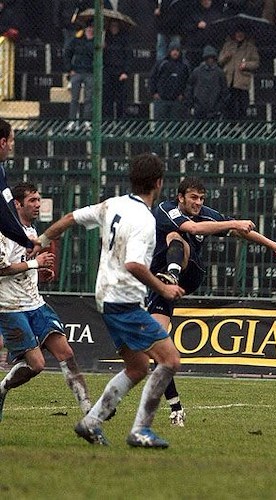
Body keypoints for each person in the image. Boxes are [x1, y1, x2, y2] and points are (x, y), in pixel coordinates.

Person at [35, 153, 186, 447]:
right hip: (125, 302)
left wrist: (40, 240)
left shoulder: (112, 204)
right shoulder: (145, 219)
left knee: (138, 367)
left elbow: (69, 219)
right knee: (170, 360)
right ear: (158, 183)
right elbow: (134, 265)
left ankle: (91, 422)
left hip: (105, 298)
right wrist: (163, 288)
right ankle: (141, 429)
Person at [147, 177, 276, 426]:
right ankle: (176, 409)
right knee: (156, 344)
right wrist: (234, 222)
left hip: (187, 274)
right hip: (161, 286)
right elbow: (197, 228)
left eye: (202, 199)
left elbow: (238, 231)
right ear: (180, 197)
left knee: (177, 236)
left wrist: (274, 246)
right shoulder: (166, 209)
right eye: (193, 197)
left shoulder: (205, 215)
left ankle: (173, 272)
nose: (198, 203)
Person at [0, 182, 92, 421]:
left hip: (35, 303)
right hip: (10, 307)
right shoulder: (5, 232)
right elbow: (1, 268)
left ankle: (90, 413)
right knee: (37, 365)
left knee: (66, 352)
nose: (38, 205)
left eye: (39, 200)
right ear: (17, 204)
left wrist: (39, 274)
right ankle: (1, 389)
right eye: (32, 201)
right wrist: (35, 264)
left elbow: (24, 268)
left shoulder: (32, 233)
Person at [185, 45, 228, 159]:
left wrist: (219, 106)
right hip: (199, 107)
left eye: (212, 58)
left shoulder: (219, 73)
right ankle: (192, 152)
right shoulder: (197, 72)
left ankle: (211, 153)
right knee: (195, 131)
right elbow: (189, 87)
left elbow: (224, 91)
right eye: (208, 58)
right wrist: (191, 104)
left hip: (214, 109)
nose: (210, 60)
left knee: (212, 133)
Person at [149, 39, 190, 157]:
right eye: (173, 50)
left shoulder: (185, 65)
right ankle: (156, 150)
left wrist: (183, 95)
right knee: (159, 126)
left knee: (175, 127)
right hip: (161, 100)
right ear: (169, 51)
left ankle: (175, 152)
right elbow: (152, 78)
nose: (175, 53)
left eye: (177, 50)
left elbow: (189, 82)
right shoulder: (162, 63)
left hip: (176, 101)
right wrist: (154, 93)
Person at [0, 119, 34, 250]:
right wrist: (26, 241)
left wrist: (24, 240)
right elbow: (3, 214)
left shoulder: (1, 170)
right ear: (3, 142)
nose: (11, 146)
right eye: (11, 140)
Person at [218, 28, 260, 120]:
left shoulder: (250, 47)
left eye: (241, 32)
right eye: (237, 32)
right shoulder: (228, 45)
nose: (239, 34)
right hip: (229, 80)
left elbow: (256, 63)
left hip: (242, 81)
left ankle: (242, 125)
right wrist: (226, 56)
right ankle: (229, 126)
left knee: (242, 105)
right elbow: (220, 61)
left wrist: (246, 65)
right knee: (229, 104)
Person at [64, 19, 94, 130]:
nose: (91, 30)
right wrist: (69, 69)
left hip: (90, 72)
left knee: (89, 98)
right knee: (74, 98)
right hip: (77, 72)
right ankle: (72, 121)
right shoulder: (77, 40)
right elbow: (67, 52)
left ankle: (87, 121)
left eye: (92, 28)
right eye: (89, 28)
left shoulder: (96, 42)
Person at [103, 19, 131, 120]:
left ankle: (121, 122)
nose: (114, 28)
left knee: (121, 100)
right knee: (107, 99)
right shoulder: (105, 38)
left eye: (116, 26)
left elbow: (128, 56)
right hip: (108, 71)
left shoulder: (124, 39)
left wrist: (125, 72)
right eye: (112, 26)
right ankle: (108, 122)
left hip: (120, 72)